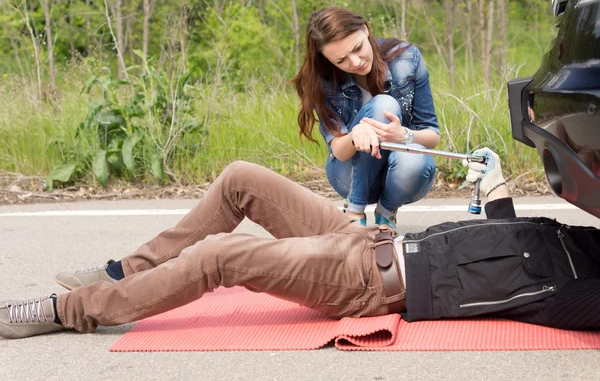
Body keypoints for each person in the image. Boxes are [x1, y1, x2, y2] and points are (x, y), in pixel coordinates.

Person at [2, 148, 600, 340]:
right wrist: (493, 180)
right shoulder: (574, 234)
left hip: (370, 282)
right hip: (371, 237)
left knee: (218, 258)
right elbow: (510, 232)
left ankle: (68, 312)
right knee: (240, 177)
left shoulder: (577, 294)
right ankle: (123, 273)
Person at [292, 7, 441, 229]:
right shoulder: (321, 80)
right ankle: (355, 210)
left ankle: (386, 211)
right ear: (327, 59)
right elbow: (339, 151)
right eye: (341, 60)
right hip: (348, 175)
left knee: (414, 160)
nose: (355, 62)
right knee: (384, 104)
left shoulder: (407, 59)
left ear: (365, 29)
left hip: (402, 176)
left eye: (358, 48)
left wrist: (403, 135)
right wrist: (355, 134)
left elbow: (432, 136)